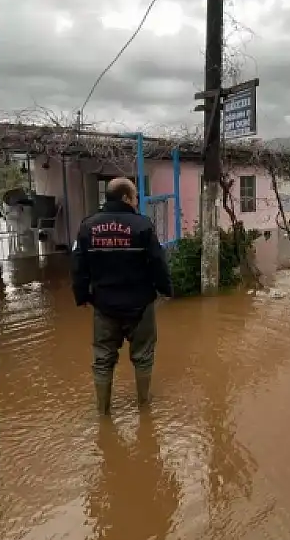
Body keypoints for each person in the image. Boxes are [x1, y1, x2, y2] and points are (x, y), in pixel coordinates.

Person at [72, 177, 173, 415]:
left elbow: (77, 265)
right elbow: (158, 263)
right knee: (143, 356)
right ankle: (143, 407)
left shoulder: (88, 226)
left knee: (103, 359)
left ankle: (103, 414)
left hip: (104, 306)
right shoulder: (142, 225)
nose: (137, 201)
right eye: (136, 196)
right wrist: (166, 290)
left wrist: (81, 296)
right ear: (126, 197)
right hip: (140, 305)